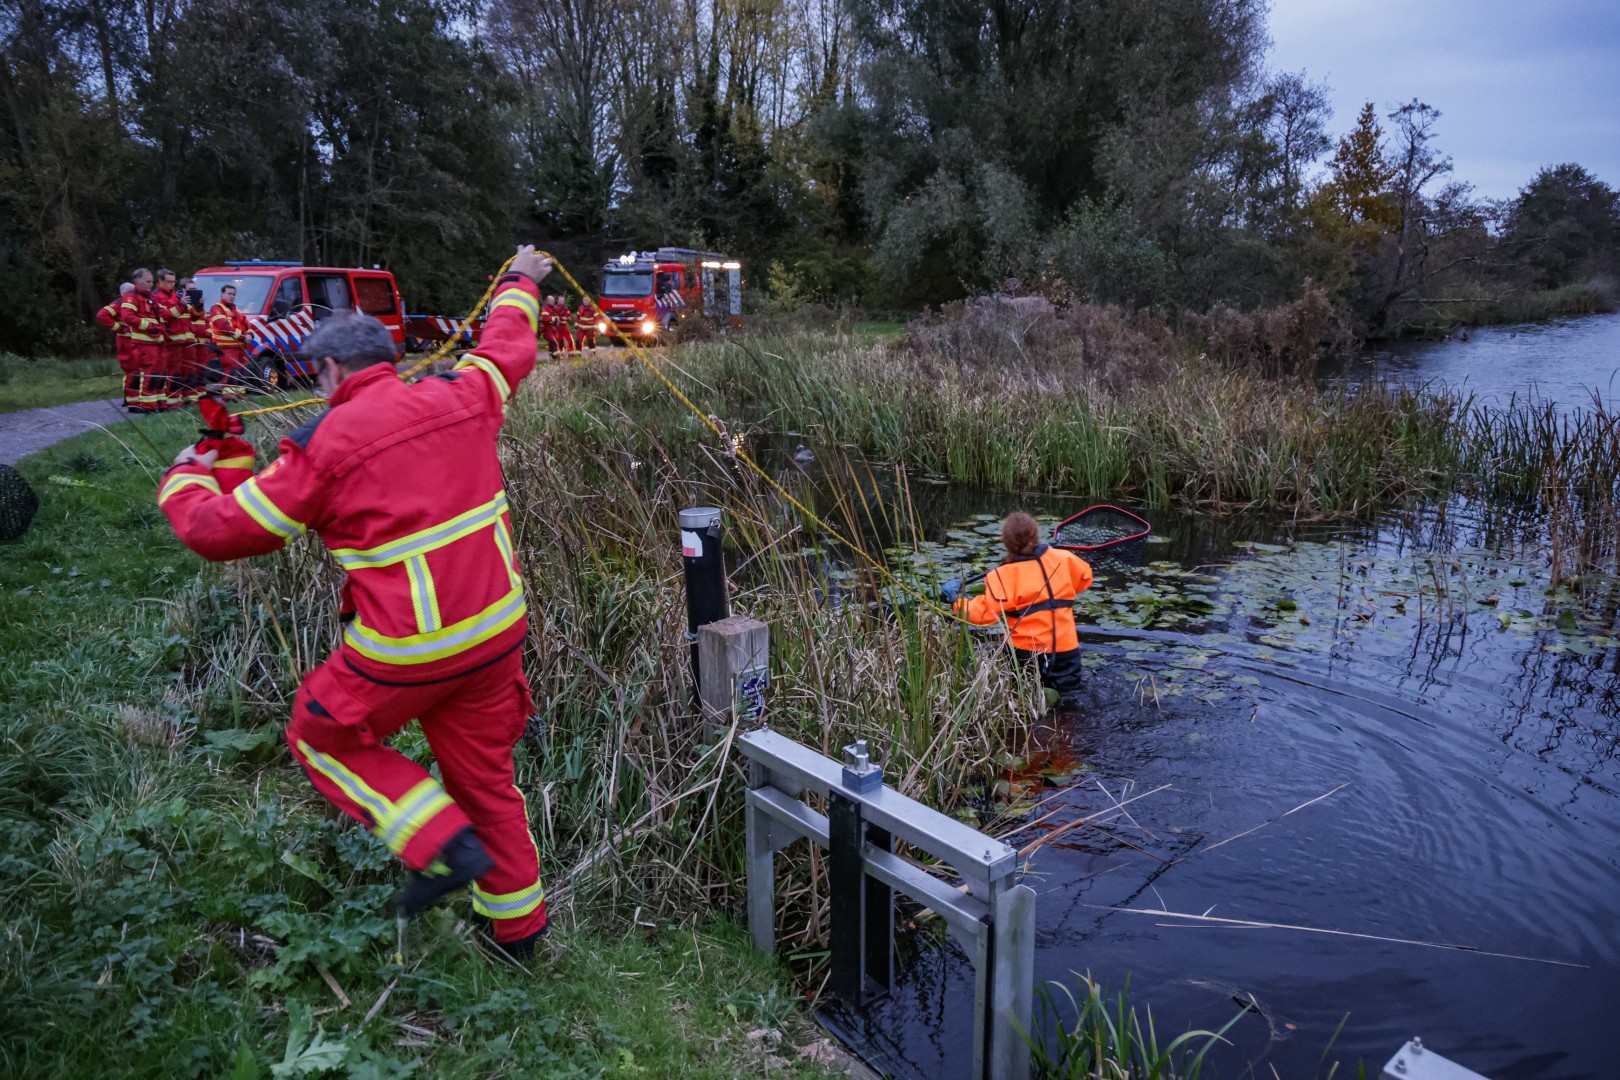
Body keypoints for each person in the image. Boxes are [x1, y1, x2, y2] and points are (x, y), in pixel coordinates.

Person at [156, 246, 556, 961]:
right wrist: (521, 276)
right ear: (390, 356)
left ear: (331, 371)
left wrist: (187, 477)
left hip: (409, 651)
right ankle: (519, 937)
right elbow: (508, 340)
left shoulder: (324, 445)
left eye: (317, 371)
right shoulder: (465, 394)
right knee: (489, 783)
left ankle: (440, 846)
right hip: (497, 636)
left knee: (321, 732)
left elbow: (224, 531)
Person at [944, 511, 1093, 697]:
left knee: (1026, 700)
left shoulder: (1001, 576)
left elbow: (982, 615)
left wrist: (957, 602)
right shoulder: (1064, 559)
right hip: (1067, 651)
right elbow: (1085, 578)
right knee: (1069, 700)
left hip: (1027, 655)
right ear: (1036, 535)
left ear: (1006, 543)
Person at [117, 270, 167, 413]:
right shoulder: (131, 297)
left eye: (152, 281)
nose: (151, 284)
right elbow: (127, 316)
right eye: (148, 281)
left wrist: (162, 331)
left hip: (158, 342)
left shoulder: (151, 297)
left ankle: (160, 403)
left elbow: (160, 317)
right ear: (137, 281)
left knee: (160, 374)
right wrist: (148, 326)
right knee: (149, 375)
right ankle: (148, 406)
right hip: (145, 344)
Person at [153, 268, 194, 408]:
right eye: (168, 282)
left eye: (173, 282)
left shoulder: (175, 295)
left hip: (184, 340)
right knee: (174, 372)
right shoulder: (156, 297)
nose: (171, 284)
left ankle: (182, 398)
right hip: (172, 341)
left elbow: (189, 316)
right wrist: (181, 305)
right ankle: (172, 401)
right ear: (160, 281)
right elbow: (164, 317)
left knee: (185, 371)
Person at [207, 284, 251, 400]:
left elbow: (246, 323)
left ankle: (240, 393)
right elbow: (223, 326)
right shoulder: (216, 308)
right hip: (225, 346)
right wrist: (243, 336)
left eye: (234, 294)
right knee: (232, 369)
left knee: (242, 369)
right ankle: (229, 395)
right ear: (222, 294)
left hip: (238, 346)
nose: (232, 296)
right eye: (229, 294)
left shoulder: (235, 309)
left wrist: (250, 333)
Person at [96, 283, 136, 404]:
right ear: (125, 293)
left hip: (133, 340)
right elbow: (102, 315)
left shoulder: (129, 303)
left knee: (135, 371)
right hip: (126, 341)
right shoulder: (119, 303)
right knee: (131, 370)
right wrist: (119, 328)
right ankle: (132, 400)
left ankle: (132, 398)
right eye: (132, 292)